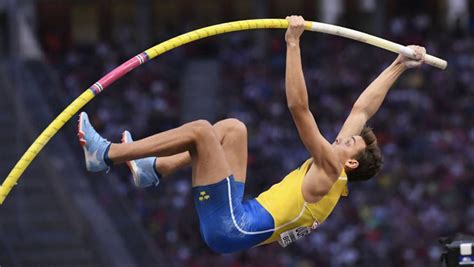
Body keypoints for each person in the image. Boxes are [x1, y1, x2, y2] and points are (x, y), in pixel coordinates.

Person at [77, 16, 426, 253]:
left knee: (201, 131)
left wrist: (292, 42)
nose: (341, 137)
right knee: (232, 130)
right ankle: (154, 169)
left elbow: (298, 108)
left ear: (350, 161)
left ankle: (105, 154)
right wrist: (398, 64)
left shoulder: (329, 171)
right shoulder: (336, 168)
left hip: (232, 227)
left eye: (348, 142)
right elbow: (362, 110)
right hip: (238, 217)